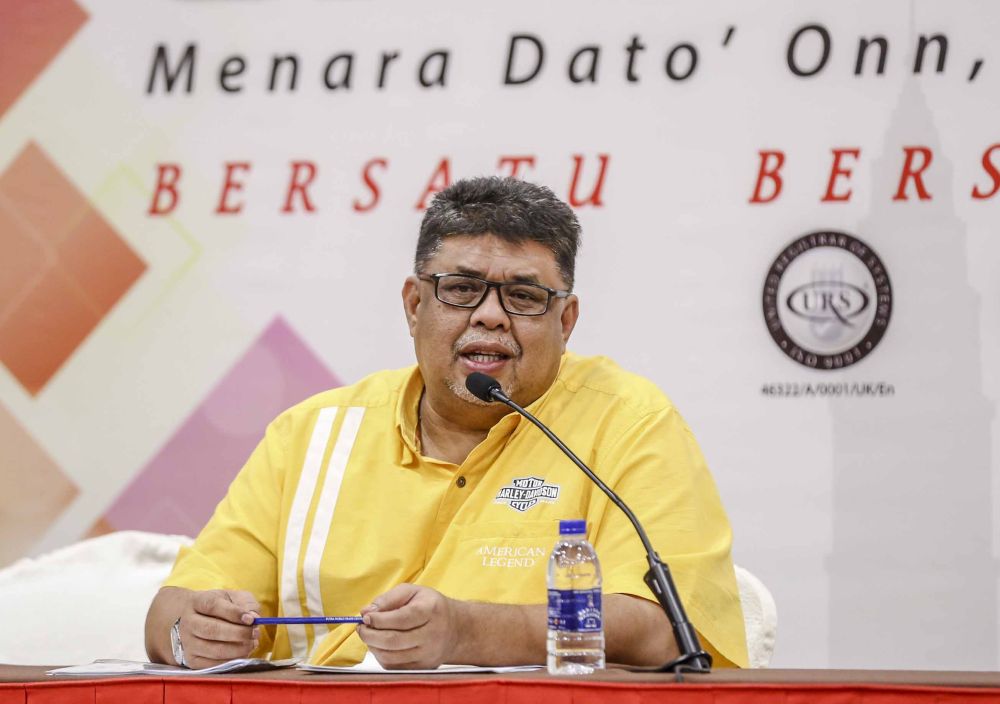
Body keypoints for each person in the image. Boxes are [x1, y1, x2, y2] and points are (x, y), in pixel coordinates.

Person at [145, 176, 749, 669]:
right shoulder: (313, 433)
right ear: (414, 305)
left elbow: (661, 629)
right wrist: (188, 632)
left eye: (524, 296)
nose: (489, 317)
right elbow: (173, 608)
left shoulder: (628, 425)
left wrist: (466, 633)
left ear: (566, 322)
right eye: (460, 289)